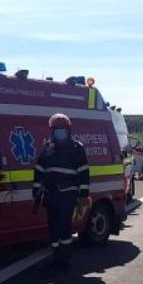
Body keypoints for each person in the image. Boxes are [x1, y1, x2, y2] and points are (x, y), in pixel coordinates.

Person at [33, 113, 90, 268]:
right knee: (53, 226)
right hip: (51, 194)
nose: (60, 132)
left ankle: (65, 257)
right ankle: (56, 256)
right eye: (57, 129)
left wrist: (84, 195)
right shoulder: (47, 148)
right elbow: (39, 170)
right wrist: (36, 190)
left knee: (63, 224)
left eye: (62, 129)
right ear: (52, 131)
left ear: (68, 130)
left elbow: (84, 172)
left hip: (68, 193)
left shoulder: (76, 148)